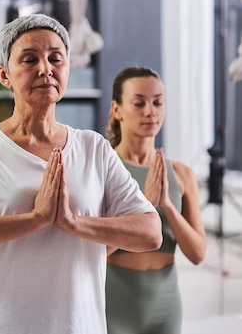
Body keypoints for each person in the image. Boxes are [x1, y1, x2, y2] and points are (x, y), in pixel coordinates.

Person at [0, 14, 163, 334]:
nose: (45, 68)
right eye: (29, 59)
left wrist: (73, 222)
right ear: (4, 75)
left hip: (76, 325)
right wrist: (35, 218)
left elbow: (150, 232)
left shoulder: (94, 149)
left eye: (55, 58)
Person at [105, 66, 206, 334]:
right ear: (117, 110)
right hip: (114, 302)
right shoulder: (103, 169)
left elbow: (197, 253)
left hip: (166, 305)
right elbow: (93, 253)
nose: (151, 111)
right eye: (139, 103)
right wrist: (146, 209)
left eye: (158, 102)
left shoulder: (182, 175)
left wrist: (167, 207)